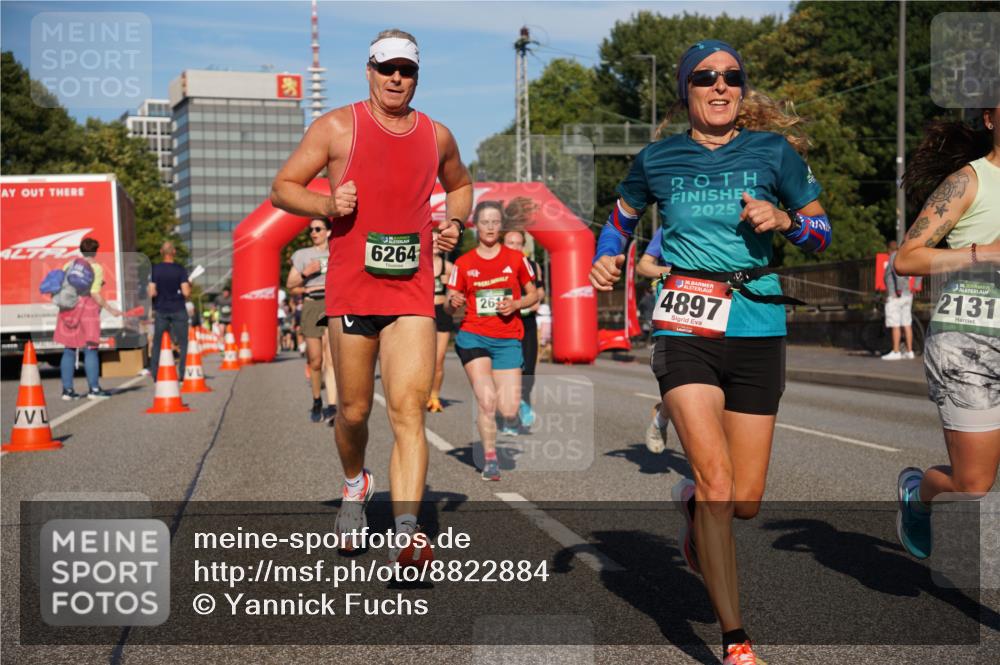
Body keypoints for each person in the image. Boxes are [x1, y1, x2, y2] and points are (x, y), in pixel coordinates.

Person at [590, 40, 830, 665]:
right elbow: (619, 221)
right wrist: (606, 257)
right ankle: (735, 640)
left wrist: (786, 221)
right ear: (686, 90)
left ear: (741, 89)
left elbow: (822, 232)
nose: (720, 85)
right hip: (685, 327)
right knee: (719, 482)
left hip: (758, 324)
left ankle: (692, 507)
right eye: (705, 77)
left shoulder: (773, 153)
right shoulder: (657, 159)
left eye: (731, 76)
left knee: (743, 502)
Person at [269, 28, 471, 562]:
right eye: (387, 69)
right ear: (369, 71)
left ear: (417, 76)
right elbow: (282, 188)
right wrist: (327, 204)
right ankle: (355, 484)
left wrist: (454, 222)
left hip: (412, 294)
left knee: (408, 412)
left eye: (406, 70)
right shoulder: (337, 126)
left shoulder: (436, 136)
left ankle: (406, 531)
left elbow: (461, 186)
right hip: (353, 294)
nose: (396, 78)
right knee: (354, 412)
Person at [894, 106, 1000, 561]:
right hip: (968, 344)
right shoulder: (969, 181)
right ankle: (917, 497)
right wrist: (985, 253)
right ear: (990, 119)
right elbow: (907, 258)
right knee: (973, 483)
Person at [446, 201, 538, 480]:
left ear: (501, 226)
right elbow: (449, 305)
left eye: (495, 222)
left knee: (509, 410)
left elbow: (534, 294)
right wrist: (453, 302)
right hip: (473, 335)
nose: (489, 227)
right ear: (475, 226)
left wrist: (516, 304)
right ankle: (490, 460)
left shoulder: (516, 259)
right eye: (484, 222)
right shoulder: (463, 263)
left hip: (508, 338)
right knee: (487, 402)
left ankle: (499, 424)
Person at [55, 237, 122, 399]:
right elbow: (94, 293)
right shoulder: (96, 268)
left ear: (81, 250)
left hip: (68, 308)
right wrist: (110, 309)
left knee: (69, 349)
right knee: (91, 349)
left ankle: (67, 391)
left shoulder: (69, 265)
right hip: (87, 309)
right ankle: (94, 389)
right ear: (96, 251)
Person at [287, 218, 338, 422]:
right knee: (316, 360)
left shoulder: (336, 251)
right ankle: (317, 400)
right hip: (311, 304)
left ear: (328, 232)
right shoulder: (302, 255)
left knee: (331, 358)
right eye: (311, 230)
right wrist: (306, 272)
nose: (314, 233)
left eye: (318, 229)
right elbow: (290, 284)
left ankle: (332, 406)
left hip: (332, 303)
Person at [502, 228, 545, 429]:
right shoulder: (497, 266)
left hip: (527, 323)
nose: (515, 247)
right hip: (505, 324)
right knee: (509, 370)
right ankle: (509, 414)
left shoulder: (533, 266)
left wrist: (534, 300)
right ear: (503, 245)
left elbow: (540, 291)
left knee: (529, 370)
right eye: (511, 243)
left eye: (519, 243)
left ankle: (524, 401)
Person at [637, 227, 673, 454]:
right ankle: (662, 417)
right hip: (678, 312)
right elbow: (643, 266)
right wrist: (675, 272)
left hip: (727, 311)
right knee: (679, 382)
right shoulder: (672, 224)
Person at [148, 241, 191, 380]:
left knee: (157, 342)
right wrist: (188, 285)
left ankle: (156, 374)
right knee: (183, 343)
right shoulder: (180, 269)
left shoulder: (155, 269)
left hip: (161, 310)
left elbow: (151, 292)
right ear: (174, 252)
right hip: (178, 309)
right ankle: (183, 374)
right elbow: (186, 292)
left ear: (161, 252)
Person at [427, 227, 455, 413]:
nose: (435, 244)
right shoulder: (419, 265)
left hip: (442, 312)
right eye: (432, 240)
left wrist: (451, 293)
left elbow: (455, 292)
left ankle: (434, 396)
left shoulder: (449, 268)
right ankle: (419, 393)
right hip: (423, 312)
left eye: (439, 241)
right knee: (422, 357)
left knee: (439, 358)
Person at [881, 239, 917, 360]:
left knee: (895, 324)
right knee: (907, 323)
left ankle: (896, 351)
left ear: (889, 249)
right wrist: (915, 286)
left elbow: (897, 273)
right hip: (907, 294)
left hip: (896, 295)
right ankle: (909, 351)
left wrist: (898, 289)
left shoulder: (894, 256)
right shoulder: (906, 256)